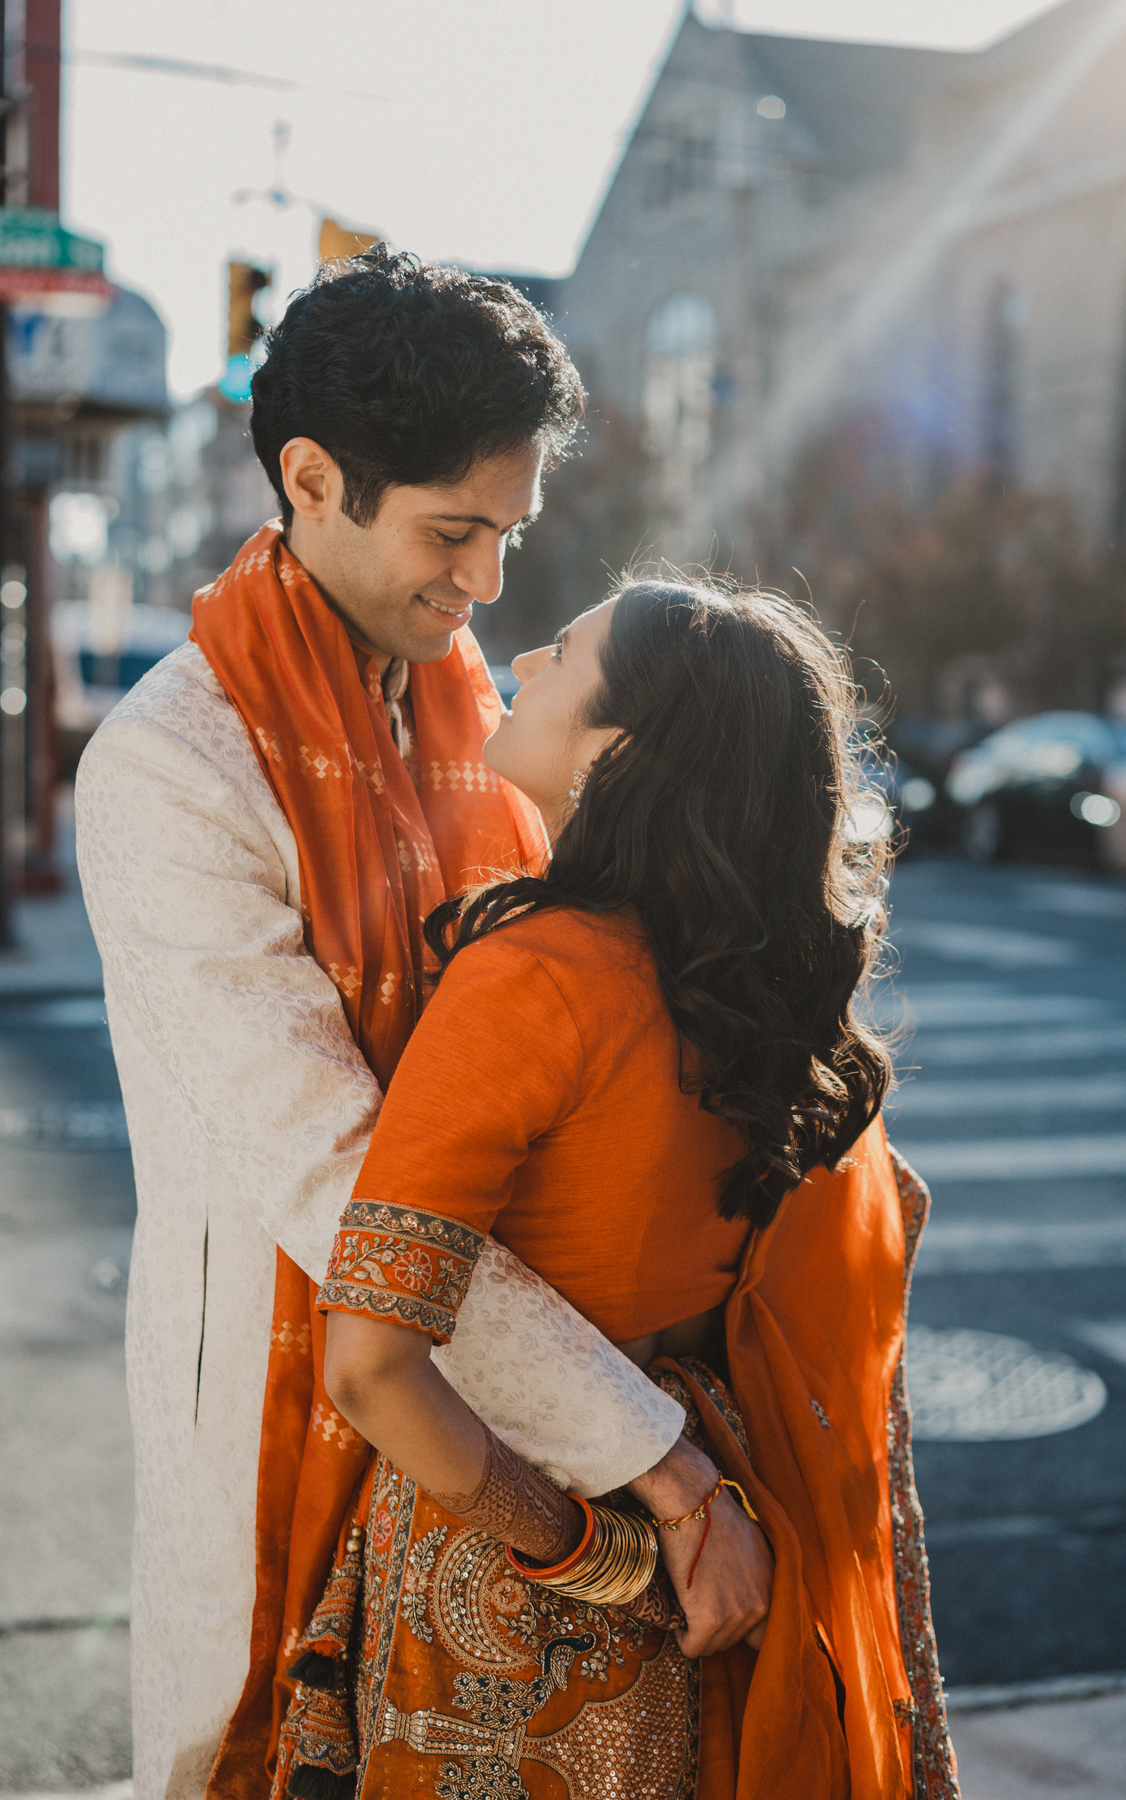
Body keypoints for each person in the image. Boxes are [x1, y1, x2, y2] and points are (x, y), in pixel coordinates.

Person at [75, 250, 716, 1800]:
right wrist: (650, 1455)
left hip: (482, 1407)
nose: (489, 582)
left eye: (509, 532)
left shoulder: (472, 714)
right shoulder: (175, 768)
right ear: (310, 478)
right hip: (299, 1395)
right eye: (453, 532)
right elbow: (349, 1182)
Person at [278, 579, 960, 1799]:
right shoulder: (764, 995)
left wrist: (604, 1560)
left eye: (572, 647)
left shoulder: (530, 978)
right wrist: (695, 1510)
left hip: (517, 1578)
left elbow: (370, 1364)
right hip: (739, 1540)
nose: (528, 650)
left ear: (620, 747)